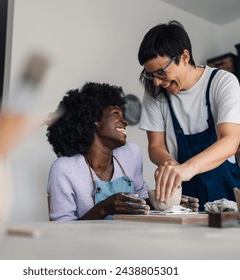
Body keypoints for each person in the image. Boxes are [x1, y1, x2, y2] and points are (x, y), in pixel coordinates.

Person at [46, 82, 198, 221]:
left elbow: (141, 198)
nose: (125, 121)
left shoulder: (131, 153)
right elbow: (62, 229)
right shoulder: (64, 169)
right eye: (116, 114)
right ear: (94, 119)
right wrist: (103, 208)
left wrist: (167, 202)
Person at [138, 20, 240, 211]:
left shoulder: (222, 82)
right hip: (185, 196)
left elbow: (230, 140)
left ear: (184, 56)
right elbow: (155, 146)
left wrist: (187, 168)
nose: (155, 82)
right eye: (150, 75)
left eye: (161, 72)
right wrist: (170, 165)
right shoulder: (154, 94)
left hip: (225, 188)